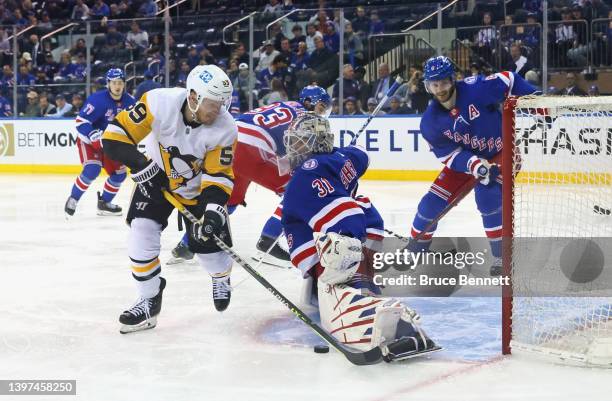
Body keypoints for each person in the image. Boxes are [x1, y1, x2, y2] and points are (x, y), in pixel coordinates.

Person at [279, 113, 438, 358]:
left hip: (323, 250)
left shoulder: (307, 174)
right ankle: (361, 279)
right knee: (363, 210)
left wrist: (344, 252)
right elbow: (362, 155)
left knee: (345, 236)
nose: (293, 147)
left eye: (300, 141)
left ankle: (361, 298)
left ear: (317, 142)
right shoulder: (345, 157)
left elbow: (345, 217)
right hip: (361, 231)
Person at [101, 65, 236, 333]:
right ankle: (149, 299)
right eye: (213, 103)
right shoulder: (158, 102)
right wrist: (140, 165)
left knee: (210, 252)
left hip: (197, 190)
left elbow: (218, 176)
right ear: (194, 96)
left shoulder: (225, 127)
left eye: (223, 103)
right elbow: (114, 137)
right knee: (141, 233)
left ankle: (221, 276)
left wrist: (211, 212)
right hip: (155, 179)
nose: (219, 110)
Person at [168, 85, 332, 267]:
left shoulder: (285, 106)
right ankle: (268, 240)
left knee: (228, 199)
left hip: (228, 142)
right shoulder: (306, 118)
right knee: (300, 190)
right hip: (250, 148)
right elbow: (295, 156)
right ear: (309, 103)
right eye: (321, 107)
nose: (323, 113)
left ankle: (188, 244)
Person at [406, 56, 537, 276]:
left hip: (502, 152)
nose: (440, 90)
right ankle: (414, 249)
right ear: (428, 86)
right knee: (430, 205)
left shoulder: (476, 89)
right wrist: (475, 164)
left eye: (444, 83)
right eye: (434, 84)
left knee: (487, 195)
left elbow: (510, 80)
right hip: (468, 162)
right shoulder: (430, 121)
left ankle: (501, 257)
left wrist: (536, 99)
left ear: (452, 79)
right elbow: (450, 155)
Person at [64, 69, 136, 218]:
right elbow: (81, 121)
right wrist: (93, 134)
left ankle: (104, 203)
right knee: (92, 169)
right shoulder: (97, 100)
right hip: (90, 142)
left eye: (120, 83)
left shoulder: (130, 102)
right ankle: (73, 199)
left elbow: (135, 124)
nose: (117, 86)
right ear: (108, 84)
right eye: (114, 83)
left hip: (111, 143)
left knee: (119, 175)